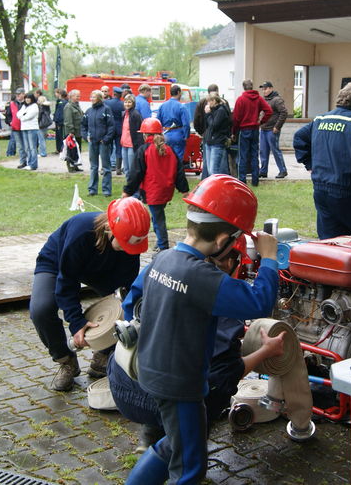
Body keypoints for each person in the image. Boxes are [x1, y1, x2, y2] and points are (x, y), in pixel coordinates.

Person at [125, 174, 279, 485]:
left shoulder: (162, 258)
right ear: (222, 241)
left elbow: (132, 302)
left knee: (174, 444)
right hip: (180, 385)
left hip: (150, 369)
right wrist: (270, 259)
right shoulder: (204, 278)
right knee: (190, 467)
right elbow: (260, 302)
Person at [108, 237, 284, 455]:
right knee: (211, 391)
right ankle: (182, 442)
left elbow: (129, 307)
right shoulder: (220, 301)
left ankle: (155, 433)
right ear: (231, 262)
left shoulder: (163, 260)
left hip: (121, 382)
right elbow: (228, 373)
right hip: (164, 399)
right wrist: (267, 350)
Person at [29, 197, 150, 391]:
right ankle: (66, 360)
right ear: (111, 229)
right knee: (41, 310)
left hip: (101, 268)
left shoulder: (130, 244)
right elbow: (67, 281)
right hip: (57, 262)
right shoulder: (81, 232)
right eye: (125, 243)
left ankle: (102, 355)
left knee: (121, 308)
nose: (130, 250)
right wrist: (76, 323)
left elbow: (126, 290)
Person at [293, 81, 351, 239]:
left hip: (321, 191)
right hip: (349, 190)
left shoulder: (320, 120)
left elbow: (299, 137)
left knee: (330, 242)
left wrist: (309, 164)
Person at [122, 117, 189, 252]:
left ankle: (163, 246)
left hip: (153, 191)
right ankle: (160, 242)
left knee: (158, 220)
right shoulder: (169, 149)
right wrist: (184, 190)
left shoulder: (144, 150)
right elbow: (179, 171)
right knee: (157, 216)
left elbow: (136, 173)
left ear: (145, 135)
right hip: (165, 190)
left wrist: (127, 191)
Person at [233, 80, 272, 186]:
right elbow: (269, 111)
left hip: (244, 129)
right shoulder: (258, 98)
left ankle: (242, 180)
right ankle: (255, 180)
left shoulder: (241, 99)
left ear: (243, 87)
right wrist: (261, 121)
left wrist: (234, 131)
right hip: (255, 129)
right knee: (254, 155)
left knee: (243, 156)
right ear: (252, 86)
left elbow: (236, 118)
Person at [82, 90, 115, 196]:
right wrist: (85, 136)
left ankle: (106, 190)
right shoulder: (89, 111)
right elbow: (83, 125)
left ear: (99, 98)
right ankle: (92, 189)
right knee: (93, 167)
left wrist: (106, 139)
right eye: (91, 97)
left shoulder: (106, 109)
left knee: (106, 167)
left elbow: (111, 126)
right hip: (92, 142)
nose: (92, 99)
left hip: (103, 143)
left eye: (94, 97)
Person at [259, 81, 288, 179]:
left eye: (266, 89)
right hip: (263, 129)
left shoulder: (277, 100)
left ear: (271, 88)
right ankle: (263, 171)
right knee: (263, 151)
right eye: (263, 89)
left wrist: (277, 126)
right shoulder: (264, 100)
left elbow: (284, 113)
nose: (264, 91)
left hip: (272, 130)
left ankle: (283, 170)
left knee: (275, 151)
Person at [157, 84, 190, 162]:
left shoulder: (162, 106)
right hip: (178, 135)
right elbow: (186, 124)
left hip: (165, 135)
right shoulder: (181, 107)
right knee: (177, 160)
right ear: (178, 92)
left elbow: (158, 122)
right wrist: (186, 136)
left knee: (165, 159)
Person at [202, 92, 232, 176]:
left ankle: (217, 184)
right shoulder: (214, 110)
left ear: (214, 101)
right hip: (210, 141)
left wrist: (208, 114)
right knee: (209, 170)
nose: (208, 104)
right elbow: (207, 125)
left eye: (209, 101)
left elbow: (214, 125)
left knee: (213, 170)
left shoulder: (221, 111)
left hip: (217, 142)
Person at [119, 93, 143, 177]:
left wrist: (138, 145)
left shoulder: (136, 114)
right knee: (126, 168)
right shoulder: (124, 114)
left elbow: (139, 131)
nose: (127, 104)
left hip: (132, 144)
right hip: (124, 143)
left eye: (129, 102)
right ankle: (128, 182)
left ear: (133, 103)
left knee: (131, 167)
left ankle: (132, 183)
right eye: (125, 102)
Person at [17, 93, 40, 171]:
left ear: (32, 99)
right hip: (24, 128)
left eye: (28, 98)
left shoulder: (34, 106)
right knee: (27, 148)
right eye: (26, 98)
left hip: (32, 128)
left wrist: (22, 117)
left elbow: (29, 116)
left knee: (32, 147)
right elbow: (18, 114)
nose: (27, 99)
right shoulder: (24, 106)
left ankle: (33, 165)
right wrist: (23, 115)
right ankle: (29, 163)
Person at [105, 87, 125, 173]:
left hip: (109, 128)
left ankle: (106, 167)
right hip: (119, 128)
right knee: (119, 148)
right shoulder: (122, 104)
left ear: (114, 94)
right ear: (120, 95)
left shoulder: (106, 102)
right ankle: (118, 168)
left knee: (108, 148)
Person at [63, 89, 84, 172]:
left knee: (77, 150)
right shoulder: (69, 107)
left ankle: (76, 165)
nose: (79, 97)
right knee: (71, 151)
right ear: (71, 96)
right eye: (77, 96)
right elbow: (68, 121)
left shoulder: (77, 106)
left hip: (78, 131)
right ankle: (71, 167)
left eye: (79, 96)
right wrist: (71, 132)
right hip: (72, 132)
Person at [10, 88, 27, 168]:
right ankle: (22, 162)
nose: (17, 95)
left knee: (27, 145)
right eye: (17, 94)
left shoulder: (27, 104)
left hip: (25, 127)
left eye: (19, 94)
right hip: (15, 128)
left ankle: (28, 161)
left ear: (23, 94)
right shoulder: (13, 103)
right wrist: (10, 122)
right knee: (20, 146)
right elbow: (8, 114)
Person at [53, 88, 68, 154]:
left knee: (60, 136)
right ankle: (59, 149)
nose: (55, 94)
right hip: (59, 122)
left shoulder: (62, 102)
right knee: (59, 136)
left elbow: (60, 113)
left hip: (60, 122)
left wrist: (58, 121)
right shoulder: (60, 101)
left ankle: (61, 149)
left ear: (60, 94)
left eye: (56, 93)